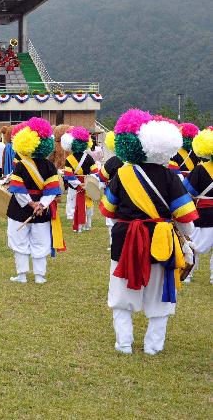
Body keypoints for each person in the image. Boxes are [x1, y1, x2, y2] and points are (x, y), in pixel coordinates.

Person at [99, 109, 197, 355]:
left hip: (124, 239)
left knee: (121, 292)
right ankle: (153, 347)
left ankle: (124, 344)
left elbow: (107, 209)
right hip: (161, 241)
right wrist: (187, 237)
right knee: (159, 294)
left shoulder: (121, 173)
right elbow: (185, 216)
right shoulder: (170, 176)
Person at [5, 117, 65, 284]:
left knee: (19, 241)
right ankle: (39, 276)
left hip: (19, 209)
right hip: (41, 211)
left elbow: (17, 188)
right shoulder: (49, 166)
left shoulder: (21, 165)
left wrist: (31, 203)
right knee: (41, 241)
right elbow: (52, 190)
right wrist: (42, 204)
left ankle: (22, 275)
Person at [182, 128, 213, 284]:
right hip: (205, 215)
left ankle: (187, 275)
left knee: (193, 245)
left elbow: (186, 190)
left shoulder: (200, 169)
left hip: (203, 215)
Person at [61, 127, 97, 233]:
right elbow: (95, 172)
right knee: (88, 204)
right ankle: (87, 225)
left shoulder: (69, 159)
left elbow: (68, 174)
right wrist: (87, 183)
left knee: (74, 204)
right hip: (87, 184)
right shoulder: (89, 157)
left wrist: (78, 184)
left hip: (75, 187)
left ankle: (77, 225)